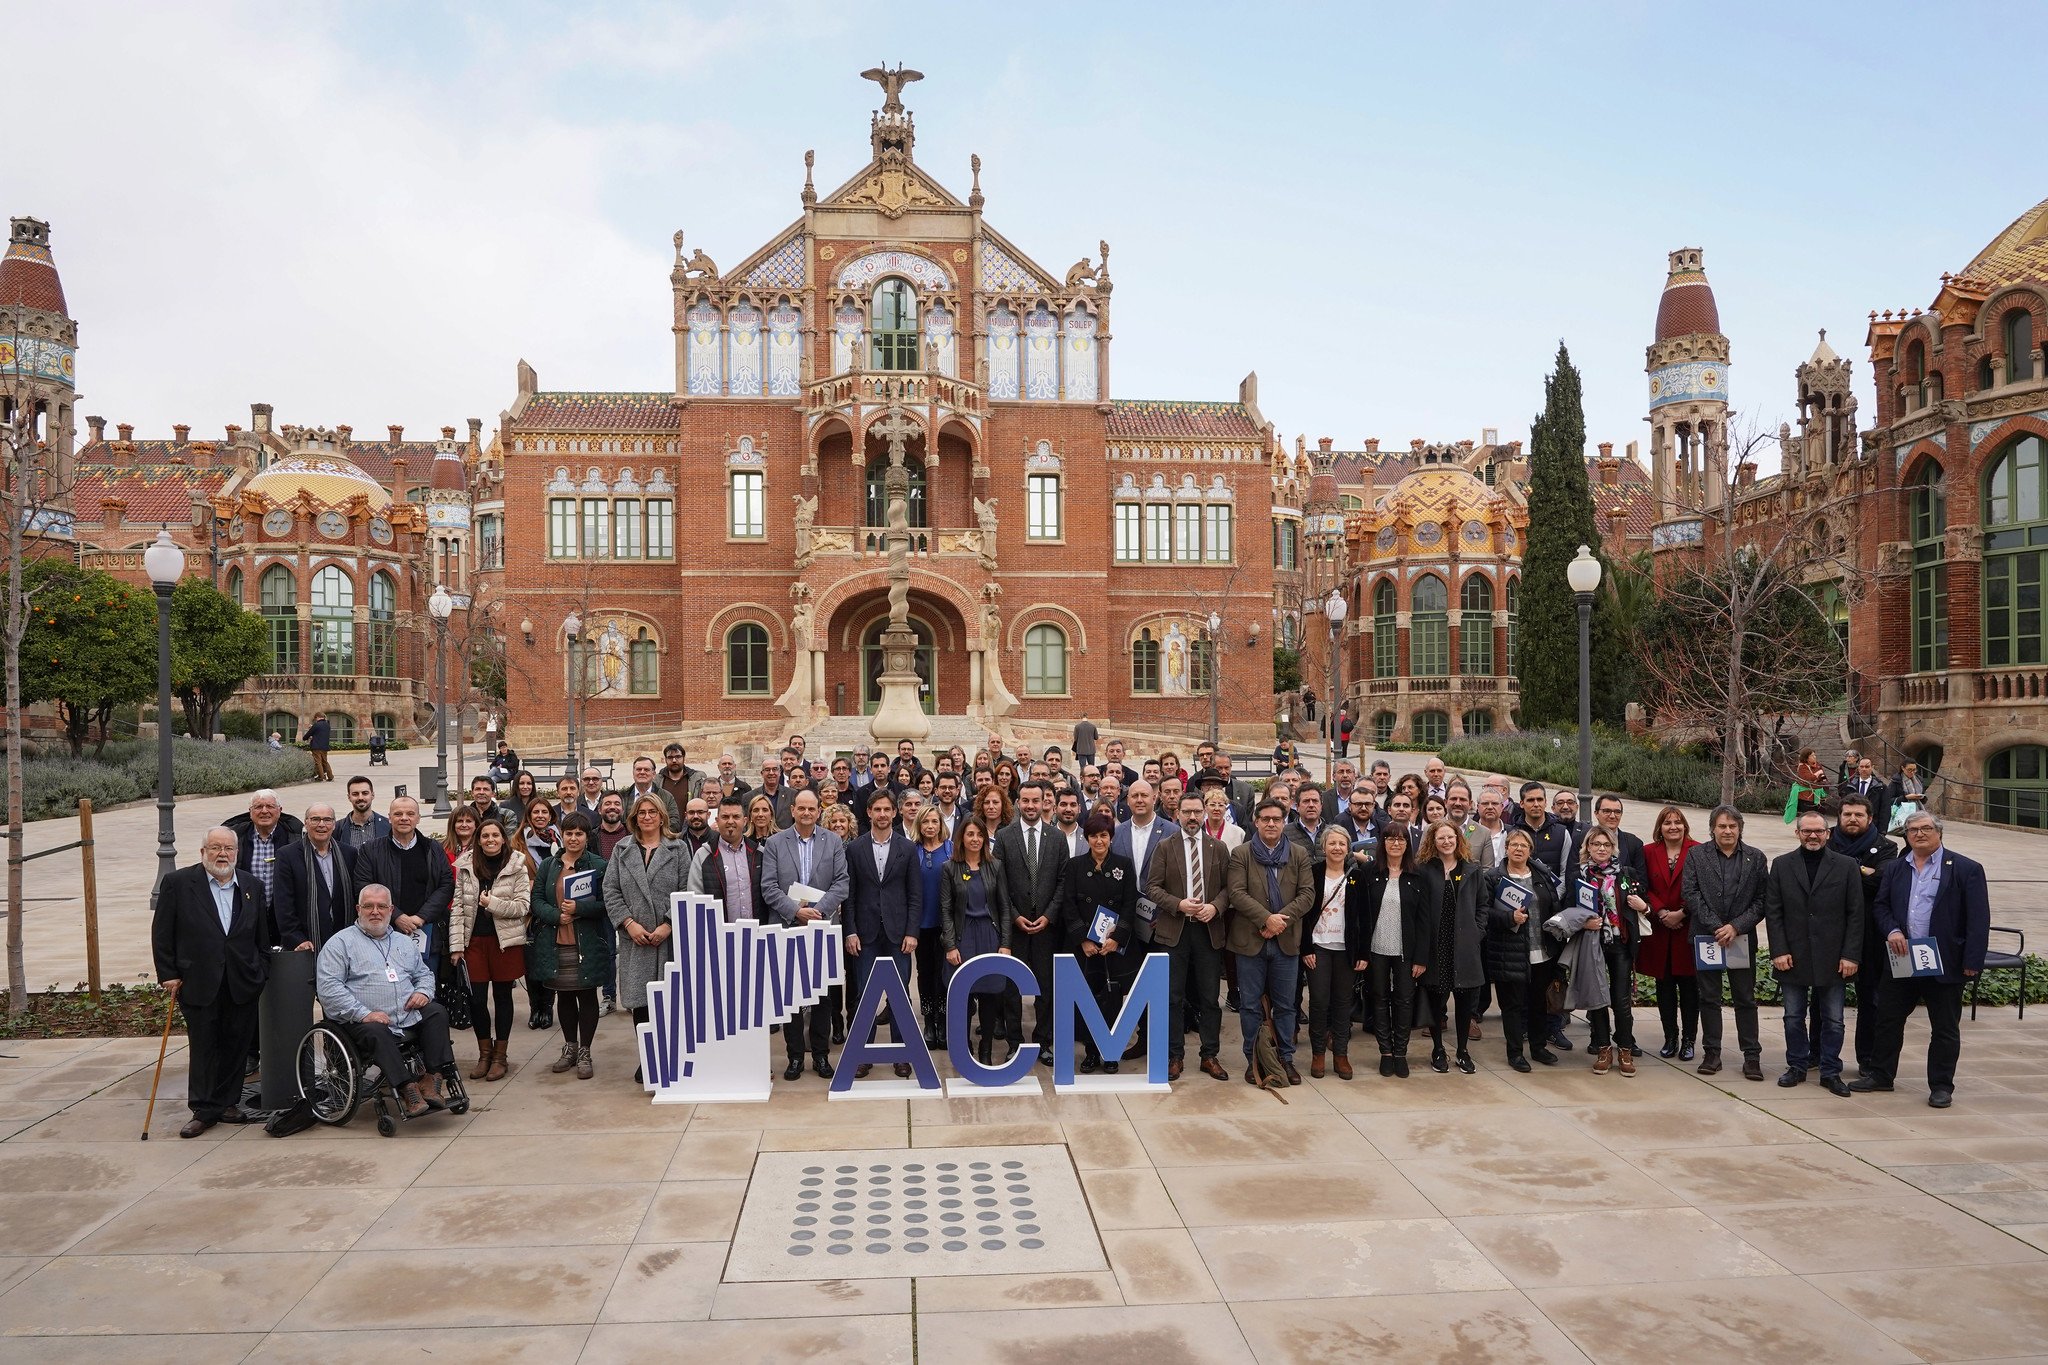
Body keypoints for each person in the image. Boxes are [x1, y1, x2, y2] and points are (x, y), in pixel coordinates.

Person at [1855, 812, 1992, 1108]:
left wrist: (1972, 961)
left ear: (1939, 832)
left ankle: (1941, 1086)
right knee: (1888, 1018)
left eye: (1925, 828)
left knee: (1944, 1026)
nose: (1919, 834)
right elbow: (1881, 906)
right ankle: (1881, 1075)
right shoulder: (1895, 869)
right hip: (1903, 957)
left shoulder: (1966, 868)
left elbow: (1978, 920)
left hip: (1945, 960)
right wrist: (1892, 930)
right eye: (1912, 830)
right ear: (1906, 835)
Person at [152, 826, 269, 1137]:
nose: (222, 854)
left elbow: (261, 937)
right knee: (204, 1047)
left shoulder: (251, 885)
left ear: (237, 852)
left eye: (228, 848)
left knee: (236, 1046)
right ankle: (203, 1109)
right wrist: (169, 973)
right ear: (202, 852)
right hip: (198, 980)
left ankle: (228, 1103)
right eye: (215, 848)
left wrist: (261, 971)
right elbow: (162, 932)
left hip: (241, 981)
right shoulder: (179, 883)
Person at [315, 883, 457, 1117]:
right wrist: (364, 1013)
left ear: (391, 910)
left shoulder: (403, 941)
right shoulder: (340, 944)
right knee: (376, 1031)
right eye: (369, 906)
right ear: (358, 909)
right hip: (361, 1022)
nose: (375, 912)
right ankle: (407, 1088)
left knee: (436, 1012)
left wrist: (422, 992)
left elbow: (423, 974)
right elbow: (329, 989)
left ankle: (432, 1079)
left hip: (405, 1014)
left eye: (381, 906)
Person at [1762, 811, 1863, 1095]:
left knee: (1834, 1019)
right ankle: (1796, 1066)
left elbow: (1856, 914)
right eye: (1807, 831)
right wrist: (1778, 950)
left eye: (1818, 831)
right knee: (1793, 1017)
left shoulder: (1846, 866)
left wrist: (1851, 955)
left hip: (1834, 957)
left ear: (1828, 834)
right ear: (1798, 833)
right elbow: (1774, 912)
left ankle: (1830, 1071)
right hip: (1792, 955)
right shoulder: (1781, 865)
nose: (1813, 836)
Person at [761, 789, 850, 1080]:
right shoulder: (775, 843)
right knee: (793, 998)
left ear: (818, 811)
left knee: (823, 996)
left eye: (812, 808)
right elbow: (769, 886)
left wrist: (819, 912)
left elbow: (841, 883)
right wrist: (796, 912)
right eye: (801, 808)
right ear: (794, 811)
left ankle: (821, 1056)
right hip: (789, 927)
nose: (807, 813)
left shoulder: (833, 840)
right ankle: (795, 1056)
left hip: (822, 928)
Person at [604, 793, 691, 1083]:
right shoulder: (622, 849)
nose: (647, 817)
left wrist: (668, 924)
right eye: (641, 812)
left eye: (653, 811)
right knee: (642, 1004)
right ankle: (649, 1058)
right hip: (635, 940)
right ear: (634, 817)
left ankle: (671, 1059)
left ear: (662, 816)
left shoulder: (678, 849)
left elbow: (686, 890)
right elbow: (611, 890)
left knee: (669, 1003)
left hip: (668, 939)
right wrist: (628, 924)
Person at [1227, 799, 1314, 1086]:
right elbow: (1237, 894)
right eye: (1265, 819)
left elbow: (1307, 895)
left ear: (1284, 820)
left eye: (1277, 819)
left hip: (1286, 942)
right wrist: (1266, 919)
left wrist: (1279, 922)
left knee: (1286, 1005)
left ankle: (1285, 1060)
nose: (1271, 824)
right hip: (1250, 942)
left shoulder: (1299, 854)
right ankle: (1254, 1060)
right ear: (1256, 821)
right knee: (1250, 1005)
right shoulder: (1242, 854)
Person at [1146, 792, 1232, 1082]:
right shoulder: (1164, 847)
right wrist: (1177, 904)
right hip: (1175, 931)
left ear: (1205, 813)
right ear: (1178, 814)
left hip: (1208, 932)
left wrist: (1215, 907)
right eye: (1187, 812)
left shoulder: (1218, 848)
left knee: (1209, 998)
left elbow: (1228, 889)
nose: (1192, 817)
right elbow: (1152, 888)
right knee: (1172, 998)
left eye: (1197, 811)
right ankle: (1174, 1056)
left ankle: (1209, 1055)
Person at [1684, 805, 1769, 1081]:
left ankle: (1752, 1057)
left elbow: (1762, 901)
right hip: (1707, 937)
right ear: (1713, 829)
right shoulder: (1696, 855)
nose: (1727, 831)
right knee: (1708, 998)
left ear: (1740, 828)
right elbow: (1691, 893)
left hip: (1740, 938)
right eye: (1722, 826)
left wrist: (1736, 927)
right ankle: (1712, 1053)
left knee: (1745, 998)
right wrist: (1717, 927)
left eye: (1732, 826)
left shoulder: (1756, 858)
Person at [844, 789, 922, 1080]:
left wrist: (912, 932)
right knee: (865, 995)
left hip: (898, 934)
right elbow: (849, 896)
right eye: (877, 809)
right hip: (864, 935)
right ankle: (862, 1054)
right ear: (869, 813)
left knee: (899, 995)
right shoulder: (855, 848)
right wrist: (850, 931)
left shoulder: (907, 848)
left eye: (887, 809)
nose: (882, 814)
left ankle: (903, 1054)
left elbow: (915, 895)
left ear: (895, 813)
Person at [450, 814, 533, 1083]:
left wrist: (492, 903)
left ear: (503, 838)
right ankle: (484, 1053)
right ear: (478, 839)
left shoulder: (516, 865)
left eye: (495, 835)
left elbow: (522, 906)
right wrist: (456, 946)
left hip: (504, 942)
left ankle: (500, 1056)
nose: (490, 840)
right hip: (473, 942)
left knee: (502, 998)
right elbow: (458, 908)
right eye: (485, 836)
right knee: (475, 1000)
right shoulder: (466, 866)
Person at [532, 811, 613, 1079]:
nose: (574, 838)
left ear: (586, 836)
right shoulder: (548, 865)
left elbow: (606, 904)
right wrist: (557, 916)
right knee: (564, 996)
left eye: (579, 833)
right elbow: (537, 901)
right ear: (562, 835)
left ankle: (585, 1051)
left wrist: (580, 908)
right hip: (557, 942)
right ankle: (570, 1046)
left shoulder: (598, 866)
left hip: (586, 942)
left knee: (587, 995)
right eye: (569, 833)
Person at [993, 782, 1066, 1065]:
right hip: (1016, 927)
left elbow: (1062, 882)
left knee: (1046, 989)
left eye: (1037, 800)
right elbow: (999, 883)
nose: (1031, 806)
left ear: (1045, 802)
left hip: (1047, 927)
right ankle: (1015, 1043)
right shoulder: (1004, 836)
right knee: (1011, 988)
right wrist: (1013, 915)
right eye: (1026, 801)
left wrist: (1048, 915)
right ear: (1018, 802)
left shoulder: (1057, 837)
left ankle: (1043, 1042)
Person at [1565, 825, 1645, 1077]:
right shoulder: (1578, 875)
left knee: (1621, 1000)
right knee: (1597, 998)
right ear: (1587, 847)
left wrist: (1645, 906)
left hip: (1619, 944)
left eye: (1606, 845)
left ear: (1613, 849)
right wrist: (1583, 922)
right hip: (1591, 943)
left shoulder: (1625, 874)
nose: (1601, 849)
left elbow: (1642, 902)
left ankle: (1624, 1048)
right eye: (1596, 844)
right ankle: (1603, 1048)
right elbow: (1567, 907)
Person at [1061, 812, 1137, 1074]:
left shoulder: (1123, 865)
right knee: (1087, 999)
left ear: (1111, 837)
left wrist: (1117, 938)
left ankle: (1111, 1051)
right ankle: (1092, 1051)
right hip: (1086, 948)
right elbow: (1068, 904)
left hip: (1113, 947)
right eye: (1094, 836)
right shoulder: (1074, 865)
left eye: (1103, 835)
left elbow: (1129, 904)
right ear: (1087, 838)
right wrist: (1082, 939)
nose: (1099, 840)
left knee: (1112, 999)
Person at [1831, 794, 1899, 1080]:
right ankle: (1817, 1054)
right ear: (1839, 816)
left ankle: (1867, 1058)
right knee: (1824, 999)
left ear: (1869, 818)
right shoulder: (1826, 839)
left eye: (1859, 815)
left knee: (1870, 999)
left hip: (1871, 935)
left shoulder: (1887, 847)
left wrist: (1844, 870)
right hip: (1831, 932)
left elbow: (1881, 882)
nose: (1852, 819)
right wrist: (1861, 871)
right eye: (1847, 814)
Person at [1480, 827, 1557, 1072]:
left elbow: (1554, 903)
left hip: (1541, 951)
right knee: (1512, 1005)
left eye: (1523, 846)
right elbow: (1484, 913)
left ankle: (1538, 1047)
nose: (1518, 849)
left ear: (1530, 850)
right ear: (1506, 848)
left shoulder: (1541, 873)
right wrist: (1509, 918)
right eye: (1514, 845)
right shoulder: (1493, 877)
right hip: (1508, 953)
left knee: (1538, 1003)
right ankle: (1515, 1052)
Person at [352, 795, 455, 978]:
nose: (404, 818)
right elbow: (363, 886)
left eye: (410, 813)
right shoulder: (371, 850)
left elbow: (446, 884)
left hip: (426, 932)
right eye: (398, 814)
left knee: (426, 986)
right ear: (389, 818)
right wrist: (397, 916)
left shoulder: (433, 848)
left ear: (418, 818)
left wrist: (421, 917)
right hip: (384, 932)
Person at [940, 816, 1014, 1062]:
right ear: (962, 838)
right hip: (963, 937)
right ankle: (964, 1047)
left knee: (990, 993)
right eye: (970, 834)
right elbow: (946, 911)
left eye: (979, 835)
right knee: (963, 993)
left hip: (989, 936)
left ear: (985, 839)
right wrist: (950, 945)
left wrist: (1005, 943)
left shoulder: (996, 866)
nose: (975, 839)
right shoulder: (949, 868)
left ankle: (986, 1047)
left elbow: (1004, 907)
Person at [1417, 820, 1485, 1075]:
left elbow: (1482, 905)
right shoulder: (1425, 870)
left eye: (1450, 837)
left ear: (1458, 840)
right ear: (1432, 842)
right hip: (1437, 945)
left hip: (1464, 945)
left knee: (1465, 1001)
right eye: (1440, 838)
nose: (1446, 842)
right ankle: (1437, 1048)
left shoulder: (1472, 869)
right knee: (1437, 1001)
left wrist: (1477, 931)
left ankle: (1463, 1050)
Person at [1360, 825, 1428, 1077]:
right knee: (1379, 999)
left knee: (1404, 1000)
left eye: (1401, 840)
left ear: (1408, 844)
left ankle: (1400, 1052)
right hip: (1376, 948)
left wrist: (1421, 957)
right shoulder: (1369, 872)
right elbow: (1361, 914)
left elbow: (1424, 920)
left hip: (1405, 951)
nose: (1395, 844)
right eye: (1390, 839)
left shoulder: (1417, 875)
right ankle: (1385, 1052)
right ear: (1383, 843)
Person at [1111, 780, 1171, 1061]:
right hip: (1126, 921)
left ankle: (1158, 1039)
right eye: (1133, 795)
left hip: (1159, 920)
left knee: (1157, 982)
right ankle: (1138, 1034)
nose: (1138, 799)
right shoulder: (1117, 832)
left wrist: (1165, 911)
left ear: (1155, 797)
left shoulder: (1171, 831)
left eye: (1144, 795)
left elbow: (1178, 877)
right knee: (1132, 982)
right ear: (1127, 800)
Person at [1300, 825, 1365, 1080]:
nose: (1337, 848)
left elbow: (1363, 917)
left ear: (1348, 848)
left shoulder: (1356, 876)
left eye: (1341, 844)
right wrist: (1305, 947)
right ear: (1324, 847)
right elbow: (1304, 913)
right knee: (1318, 1002)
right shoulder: (1313, 873)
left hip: (1345, 950)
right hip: (1318, 947)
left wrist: (1362, 953)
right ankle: (1318, 1054)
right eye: (1332, 843)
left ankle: (1340, 1053)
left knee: (1342, 1003)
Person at [1639, 806, 1701, 1060]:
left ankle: (1688, 1040)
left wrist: (1682, 913)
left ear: (1685, 826)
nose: (1673, 826)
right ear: (1660, 827)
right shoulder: (1648, 851)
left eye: (1678, 822)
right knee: (1664, 988)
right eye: (1667, 823)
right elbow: (1643, 885)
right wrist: (1662, 912)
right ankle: (1670, 1037)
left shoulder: (1698, 850)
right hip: (1660, 929)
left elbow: (1702, 887)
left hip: (1688, 928)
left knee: (1689, 988)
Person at [275, 803, 358, 952]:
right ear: (306, 823)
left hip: (345, 938)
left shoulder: (349, 853)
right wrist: (296, 939)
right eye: (315, 819)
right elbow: (283, 904)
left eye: (327, 820)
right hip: (306, 943)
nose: (321, 825)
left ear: (334, 824)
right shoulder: (287, 855)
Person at [227, 789, 301, 932]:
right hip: (245, 918)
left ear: (279, 810)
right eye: (258, 807)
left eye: (270, 806)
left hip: (285, 918)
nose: (264, 811)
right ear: (250, 811)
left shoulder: (294, 837)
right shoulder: (236, 838)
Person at [912, 805, 952, 1049]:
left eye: (934, 822)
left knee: (944, 974)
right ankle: (929, 1021)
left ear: (940, 824)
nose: (930, 826)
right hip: (921, 924)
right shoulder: (911, 851)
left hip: (945, 924)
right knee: (925, 973)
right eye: (925, 822)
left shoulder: (950, 850)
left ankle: (944, 1021)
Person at [690, 795, 765, 920]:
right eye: (725, 817)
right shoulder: (703, 855)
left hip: (756, 934)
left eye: (736, 817)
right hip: (719, 935)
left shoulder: (759, 853)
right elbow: (696, 898)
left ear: (745, 821)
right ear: (717, 820)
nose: (730, 821)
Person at [623, 756, 681, 832]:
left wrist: (653, 834)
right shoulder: (622, 797)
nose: (642, 772)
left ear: (654, 774)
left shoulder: (666, 797)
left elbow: (675, 823)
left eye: (646, 770)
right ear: (633, 773)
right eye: (638, 769)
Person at [338, 776, 392, 852]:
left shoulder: (389, 826)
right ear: (349, 797)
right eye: (355, 794)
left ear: (372, 795)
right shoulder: (337, 829)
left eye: (365, 793)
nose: (360, 797)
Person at [1845, 756, 1892, 837]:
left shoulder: (1880, 787)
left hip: (1873, 826)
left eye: (1867, 767)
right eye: (1862, 767)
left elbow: (1885, 810)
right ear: (1858, 768)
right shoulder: (1850, 786)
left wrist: (1882, 831)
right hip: (1854, 826)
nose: (1864, 769)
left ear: (1872, 768)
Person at [1888, 761, 1928, 831]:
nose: (1912, 772)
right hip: (1903, 815)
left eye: (1914, 770)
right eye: (1909, 770)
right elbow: (1888, 800)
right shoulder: (1896, 781)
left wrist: (1921, 797)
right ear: (1903, 768)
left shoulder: (1919, 780)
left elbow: (1923, 800)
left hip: (1918, 813)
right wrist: (1906, 797)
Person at [1793, 748, 1829, 818]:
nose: (1815, 757)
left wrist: (1823, 784)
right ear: (1806, 757)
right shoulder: (1802, 767)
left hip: (1818, 795)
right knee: (1808, 816)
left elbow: (1823, 779)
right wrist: (1818, 774)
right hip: (1806, 796)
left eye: (1815, 755)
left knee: (1819, 815)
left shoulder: (1818, 765)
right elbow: (1808, 780)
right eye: (1812, 756)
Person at [304, 711, 333, 782]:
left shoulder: (316, 725)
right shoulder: (327, 725)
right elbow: (320, 733)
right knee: (325, 761)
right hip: (325, 746)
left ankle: (321, 777)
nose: (315, 719)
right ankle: (330, 776)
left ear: (317, 717)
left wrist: (305, 737)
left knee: (318, 762)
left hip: (316, 746)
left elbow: (308, 734)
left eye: (316, 718)